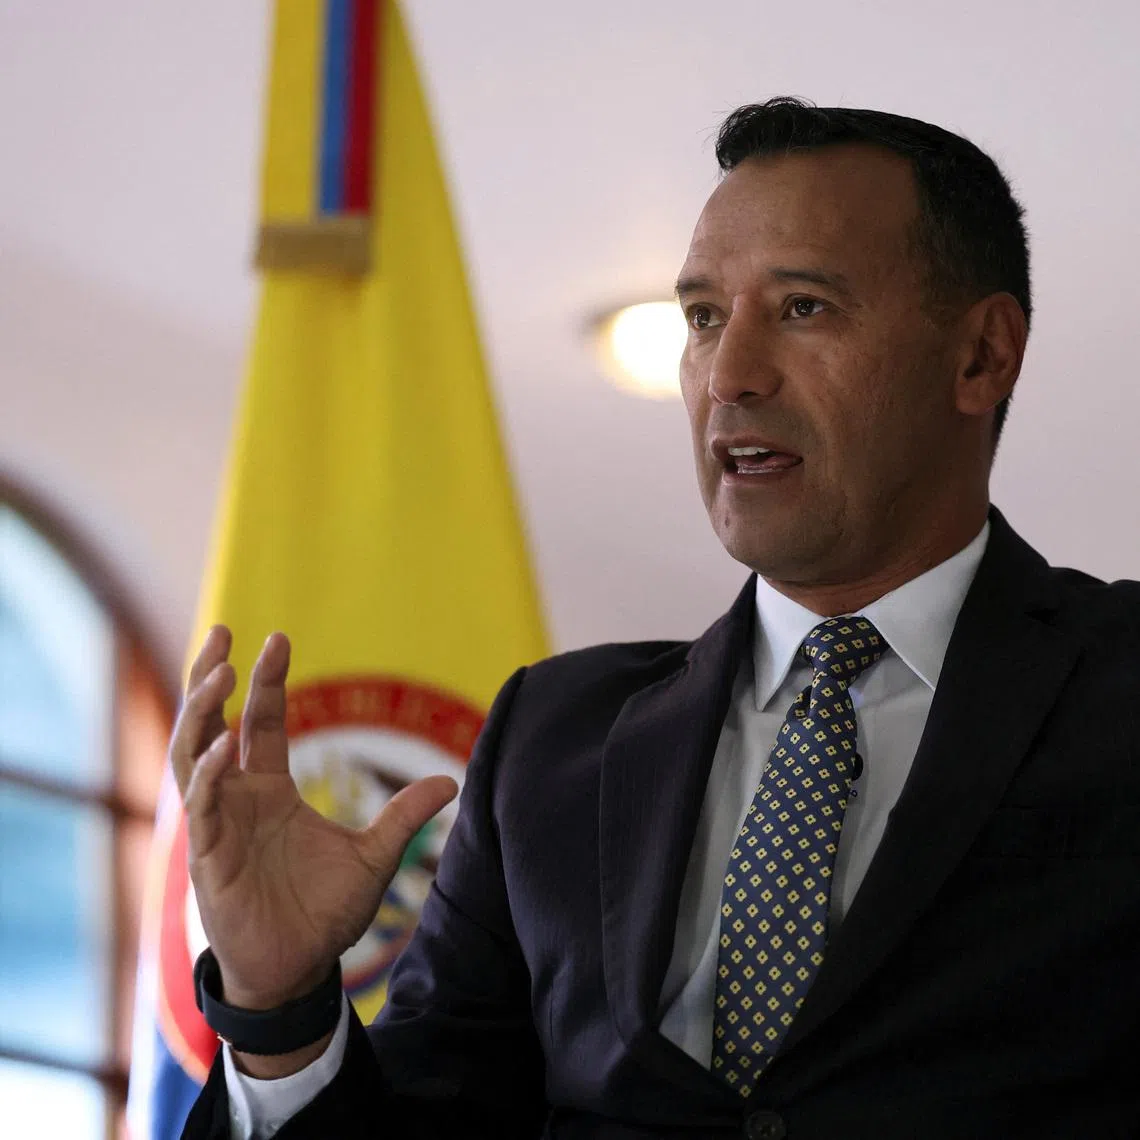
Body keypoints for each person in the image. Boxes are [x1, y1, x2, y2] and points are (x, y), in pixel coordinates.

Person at [173, 98, 1140, 1139]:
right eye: (704, 317)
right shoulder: (554, 737)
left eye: (804, 308)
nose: (729, 377)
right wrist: (280, 1014)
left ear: (982, 357)